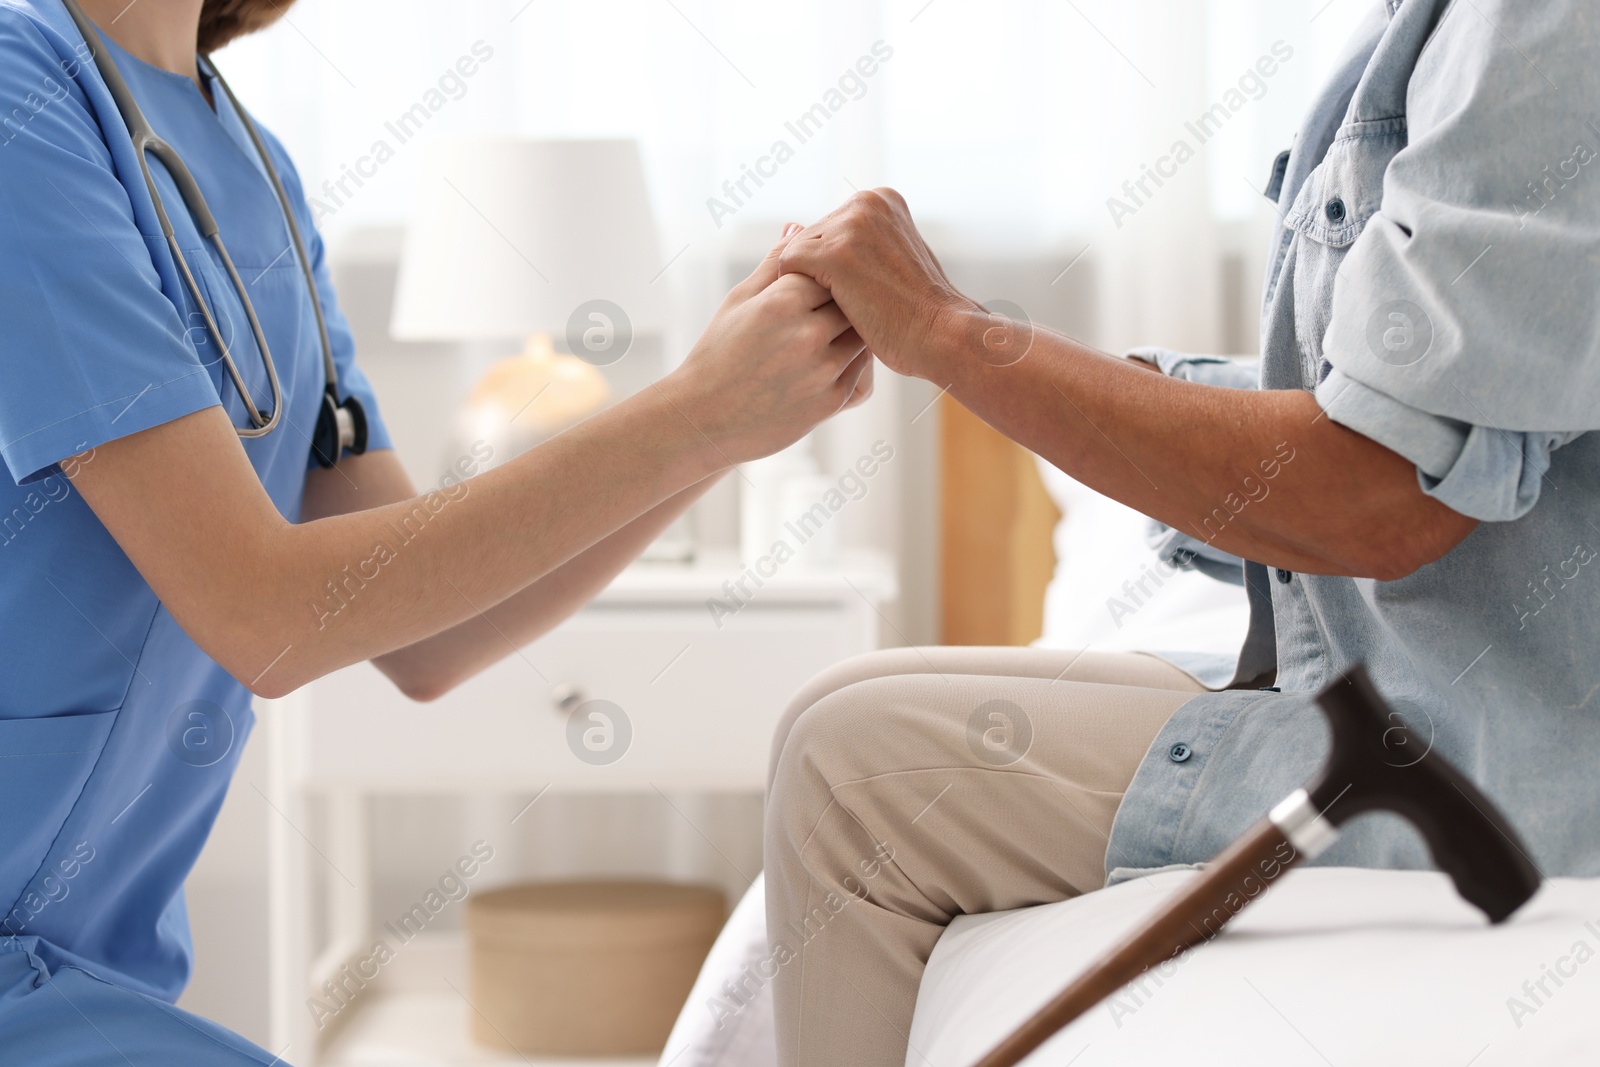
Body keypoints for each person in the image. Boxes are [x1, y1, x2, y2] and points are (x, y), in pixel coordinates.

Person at [0, 0, 870, 1061]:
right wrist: (693, 407)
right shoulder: (19, 94)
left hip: (84, 976)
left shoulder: (253, 168)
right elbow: (261, 610)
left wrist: (723, 432)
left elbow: (428, 641)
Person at [763, 1, 1600, 1064]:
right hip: (1409, 690)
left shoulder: (1540, 25)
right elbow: (1432, 407)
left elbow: (1375, 495)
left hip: (1504, 753)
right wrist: (1111, 396)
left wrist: (945, 334)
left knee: (853, 773)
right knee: (833, 710)